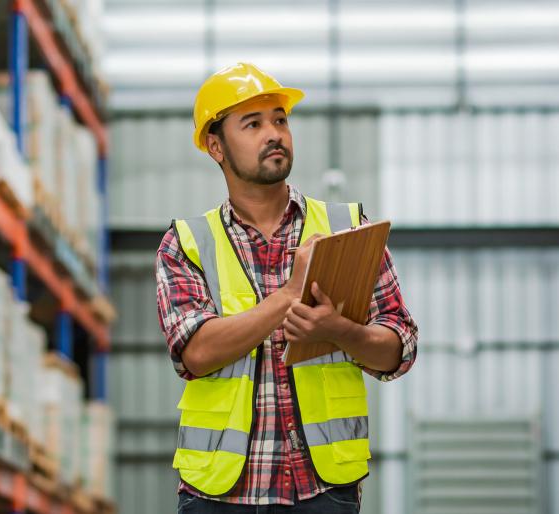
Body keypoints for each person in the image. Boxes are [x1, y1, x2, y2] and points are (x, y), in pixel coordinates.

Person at [156, 62, 418, 514]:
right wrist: (288, 294)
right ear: (215, 146)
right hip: (219, 494)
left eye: (280, 120)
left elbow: (400, 349)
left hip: (322, 490)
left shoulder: (347, 230)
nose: (273, 133)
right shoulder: (187, 244)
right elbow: (194, 353)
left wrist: (342, 330)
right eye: (253, 124)